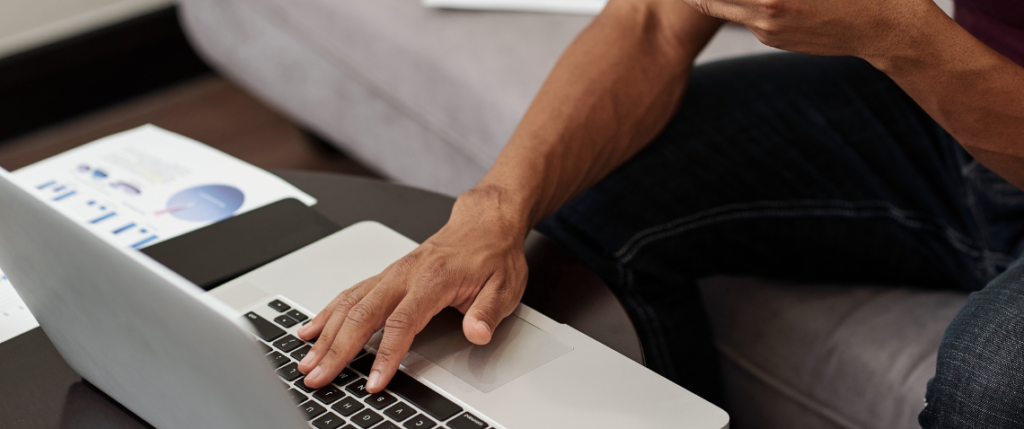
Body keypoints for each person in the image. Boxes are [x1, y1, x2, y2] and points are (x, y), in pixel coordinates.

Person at [294, 0, 1024, 426]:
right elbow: (655, 19)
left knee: (993, 385)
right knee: (585, 195)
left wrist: (895, 34)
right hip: (955, 112)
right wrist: (492, 210)